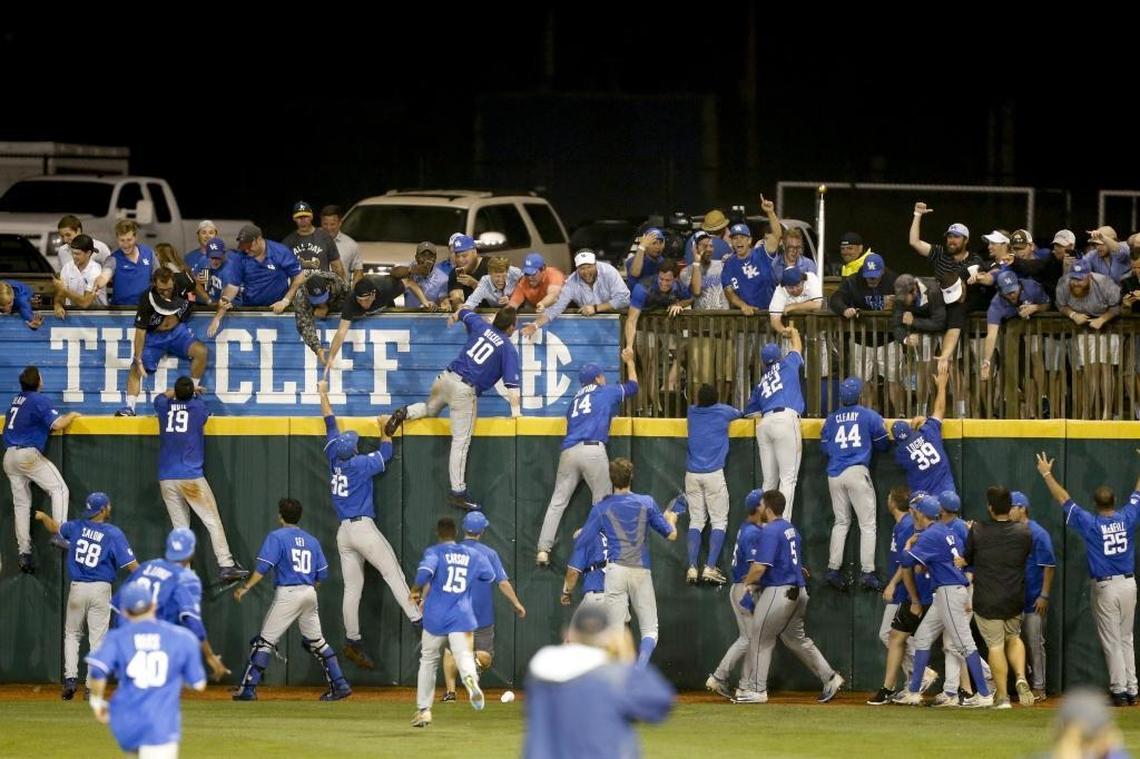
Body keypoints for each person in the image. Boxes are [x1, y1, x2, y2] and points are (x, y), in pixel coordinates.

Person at [316, 380, 422, 670]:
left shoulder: (332, 455)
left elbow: (329, 421)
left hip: (343, 533)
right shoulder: (359, 464)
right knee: (393, 573)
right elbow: (386, 452)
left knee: (353, 589)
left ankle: (352, 640)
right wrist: (381, 427)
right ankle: (418, 622)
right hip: (362, 529)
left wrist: (323, 393)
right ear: (354, 450)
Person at [386, 305, 522, 512]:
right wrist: (516, 415)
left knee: (430, 409)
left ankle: (405, 413)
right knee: (460, 442)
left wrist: (454, 316)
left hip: (446, 378)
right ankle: (458, 492)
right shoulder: (507, 348)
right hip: (464, 390)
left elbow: (464, 310)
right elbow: (513, 389)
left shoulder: (480, 325)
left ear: (495, 319)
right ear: (512, 327)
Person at [1036, 450, 1139, 706]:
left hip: (1106, 587)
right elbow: (1138, 492)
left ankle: (1119, 690)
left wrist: (1047, 474)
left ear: (1096, 503)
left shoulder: (1091, 523)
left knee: (1112, 640)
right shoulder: (1127, 517)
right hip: (1129, 584)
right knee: (1126, 638)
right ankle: (1132, 688)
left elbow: (1064, 499)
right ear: (1114, 501)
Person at [232, 498, 351, 702]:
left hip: (289, 593)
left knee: (264, 641)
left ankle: (247, 689)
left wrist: (246, 587)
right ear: (299, 516)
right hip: (309, 593)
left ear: (280, 516)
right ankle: (340, 685)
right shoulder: (312, 540)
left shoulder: (277, 537)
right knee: (317, 642)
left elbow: (263, 568)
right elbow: (322, 575)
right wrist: (308, 591)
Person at [735, 490, 845, 704]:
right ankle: (830, 677)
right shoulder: (790, 528)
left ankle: (757, 690)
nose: (759, 510)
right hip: (799, 591)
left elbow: (759, 567)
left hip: (780, 591)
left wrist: (748, 582)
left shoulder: (771, 530)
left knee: (759, 638)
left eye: (761, 506)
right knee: (796, 639)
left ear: (767, 508)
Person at [567, 458, 679, 669]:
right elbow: (671, 535)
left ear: (611, 479)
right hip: (640, 570)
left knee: (615, 633)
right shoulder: (646, 502)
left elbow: (581, 541)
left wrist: (582, 531)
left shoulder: (601, 508)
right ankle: (639, 669)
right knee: (650, 630)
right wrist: (671, 520)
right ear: (632, 476)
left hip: (615, 572)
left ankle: (615, 681)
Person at [523, 604, 675, 759]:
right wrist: (626, 658)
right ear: (607, 636)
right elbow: (660, 702)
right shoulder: (616, 675)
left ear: (569, 634)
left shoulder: (542, 665)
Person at [536, 348, 637, 566]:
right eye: (602, 375)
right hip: (593, 449)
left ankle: (543, 549)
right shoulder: (605, 391)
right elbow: (633, 387)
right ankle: (596, 551)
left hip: (569, 451)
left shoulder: (574, 401)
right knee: (602, 502)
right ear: (598, 378)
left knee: (557, 503)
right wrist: (629, 362)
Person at [85, 577, 207, 758]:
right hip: (161, 726)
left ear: (125, 612)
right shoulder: (182, 638)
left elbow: (97, 671)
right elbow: (198, 684)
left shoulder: (116, 638)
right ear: (154, 606)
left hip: (126, 723)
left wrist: (96, 702)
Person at [892, 494, 994, 707]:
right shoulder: (946, 531)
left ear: (920, 513)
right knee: (922, 637)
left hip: (949, 591)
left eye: (915, 511)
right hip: (946, 590)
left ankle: (984, 694)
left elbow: (906, 561)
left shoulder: (931, 534)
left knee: (964, 644)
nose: (913, 514)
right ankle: (913, 692)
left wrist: (909, 544)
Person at [33, 492, 138, 700]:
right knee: (98, 641)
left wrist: (44, 517)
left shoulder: (76, 527)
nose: (109, 508)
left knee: (72, 635)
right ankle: (91, 688)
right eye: (107, 506)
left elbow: (55, 528)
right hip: (101, 589)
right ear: (102, 510)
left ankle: (70, 680)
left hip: (77, 588)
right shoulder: (113, 533)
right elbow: (132, 566)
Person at [155, 376, 248, 582]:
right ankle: (225, 564)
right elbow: (198, 406)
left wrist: (178, 392)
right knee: (212, 521)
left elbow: (162, 396)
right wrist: (194, 391)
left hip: (166, 478)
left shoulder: (163, 406)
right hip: (190, 477)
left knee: (180, 529)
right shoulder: (197, 407)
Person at [409, 516, 495, 727]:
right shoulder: (474, 554)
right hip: (462, 615)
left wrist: (415, 590)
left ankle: (424, 710)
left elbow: (424, 573)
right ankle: (471, 682)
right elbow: (490, 576)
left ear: (438, 534)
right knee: (464, 655)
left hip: (436, 616)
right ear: (456, 533)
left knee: (428, 660)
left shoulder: (435, 552)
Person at [118, 528, 231, 684]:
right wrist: (209, 656)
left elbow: (119, 606)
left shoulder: (146, 567)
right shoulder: (186, 578)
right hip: (156, 644)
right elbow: (192, 622)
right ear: (191, 552)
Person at [440, 511, 527, 701]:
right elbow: (502, 583)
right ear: (481, 531)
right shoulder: (489, 554)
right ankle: (470, 661)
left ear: (463, 528)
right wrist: (516, 603)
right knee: (485, 657)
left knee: (449, 651)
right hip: (481, 615)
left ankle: (451, 692)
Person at [866, 486, 939, 705]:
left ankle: (920, 674)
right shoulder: (904, 525)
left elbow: (908, 562)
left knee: (893, 635)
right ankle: (913, 678)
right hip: (909, 591)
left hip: (913, 591)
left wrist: (893, 584)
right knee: (896, 636)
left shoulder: (908, 524)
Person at [962, 486, 1033, 708]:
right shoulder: (1024, 532)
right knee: (1013, 637)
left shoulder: (978, 530)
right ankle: (1020, 675)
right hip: (1014, 596)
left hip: (987, 598)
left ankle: (1002, 696)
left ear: (990, 508)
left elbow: (968, 558)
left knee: (995, 646)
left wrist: (971, 531)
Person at [3, 365, 79, 571]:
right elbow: (58, 424)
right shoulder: (39, 399)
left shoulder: (16, 399)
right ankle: (60, 533)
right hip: (26, 455)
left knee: (21, 505)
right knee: (59, 489)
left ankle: (24, 553)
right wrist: (72, 415)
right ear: (38, 382)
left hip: (9, 456)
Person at [821, 377, 889, 591]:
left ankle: (833, 568)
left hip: (834, 473)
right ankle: (867, 572)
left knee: (841, 522)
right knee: (867, 525)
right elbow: (883, 444)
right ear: (860, 395)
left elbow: (824, 448)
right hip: (857, 471)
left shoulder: (831, 419)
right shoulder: (869, 415)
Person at [115, 269, 208, 417]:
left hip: (177, 332)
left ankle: (192, 396)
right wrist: (138, 358)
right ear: (154, 284)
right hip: (154, 337)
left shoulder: (185, 279)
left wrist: (208, 300)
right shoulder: (147, 298)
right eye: (161, 290)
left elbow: (194, 284)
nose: (166, 293)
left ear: (174, 282)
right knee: (135, 367)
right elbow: (140, 331)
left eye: (169, 289)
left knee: (201, 352)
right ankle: (129, 407)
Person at [705, 489, 765, 699]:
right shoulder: (752, 533)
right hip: (744, 587)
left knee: (749, 638)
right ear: (758, 507)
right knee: (748, 639)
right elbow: (754, 567)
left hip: (741, 586)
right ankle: (721, 677)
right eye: (764, 503)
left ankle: (742, 684)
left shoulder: (748, 527)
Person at [744, 326, 805, 521]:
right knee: (788, 479)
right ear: (779, 356)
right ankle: (781, 524)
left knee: (769, 481)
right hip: (785, 419)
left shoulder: (761, 383)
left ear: (763, 363)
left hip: (765, 423)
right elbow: (797, 347)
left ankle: (763, 523)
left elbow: (750, 413)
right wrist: (793, 331)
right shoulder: (788, 363)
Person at [683, 383, 742, 585]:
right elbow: (740, 414)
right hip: (713, 474)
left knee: (696, 521)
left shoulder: (691, 411)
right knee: (719, 522)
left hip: (691, 474)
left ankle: (692, 567)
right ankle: (709, 567)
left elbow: (698, 405)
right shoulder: (723, 411)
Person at [322, 270, 429, 372]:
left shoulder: (387, 287)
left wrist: (425, 302)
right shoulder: (351, 302)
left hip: (385, 302)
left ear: (373, 294)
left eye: (366, 300)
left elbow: (409, 283)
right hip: (370, 306)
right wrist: (331, 357)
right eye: (360, 301)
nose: (364, 304)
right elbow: (341, 332)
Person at [520, 249, 631, 338]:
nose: (586, 272)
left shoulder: (609, 272)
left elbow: (624, 298)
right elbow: (556, 308)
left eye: (589, 267)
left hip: (617, 323)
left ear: (595, 264)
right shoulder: (572, 282)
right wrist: (535, 325)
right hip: (591, 326)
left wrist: (596, 308)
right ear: (577, 268)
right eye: (582, 268)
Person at [1009, 490, 1056, 702]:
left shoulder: (1038, 533)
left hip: (1033, 598)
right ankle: (1021, 684)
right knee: (1012, 642)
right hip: (1013, 599)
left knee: (1035, 642)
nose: (1009, 511)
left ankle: (1039, 686)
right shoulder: (1009, 532)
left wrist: (1044, 595)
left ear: (1022, 509)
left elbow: (1049, 567)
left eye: (1012, 507)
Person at [891, 361, 956, 498]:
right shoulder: (929, 431)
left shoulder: (900, 453)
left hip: (925, 502)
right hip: (947, 494)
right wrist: (942, 386)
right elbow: (939, 410)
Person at [282, 201, 347, 281]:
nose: (303, 220)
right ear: (294, 218)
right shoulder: (288, 242)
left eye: (306, 217)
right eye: (299, 217)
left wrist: (342, 287)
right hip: (297, 290)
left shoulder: (325, 237)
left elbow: (336, 266)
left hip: (323, 289)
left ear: (311, 217)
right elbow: (282, 270)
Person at [97, 219, 156, 307]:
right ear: (117, 239)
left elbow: (157, 277)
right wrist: (98, 284)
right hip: (121, 311)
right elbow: (105, 274)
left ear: (135, 237)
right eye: (122, 240)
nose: (126, 244)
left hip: (145, 309)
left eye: (129, 240)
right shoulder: (113, 259)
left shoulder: (149, 253)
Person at [52, 234, 108, 316]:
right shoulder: (67, 268)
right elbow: (60, 296)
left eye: (77, 254)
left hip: (97, 317)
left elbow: (85, 303)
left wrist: (64, 290)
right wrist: (58, 305)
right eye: (72, 253)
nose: (74, 256)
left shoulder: (96, 271)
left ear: (88, 253)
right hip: (73, 317)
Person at [320, 205, 362, 286]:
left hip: (341, 295)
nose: (329, 228)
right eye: (325, 224)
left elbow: (358, 271)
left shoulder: (351, 245)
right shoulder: (312, 241)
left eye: (332, 224)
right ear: (321, 223)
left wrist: (352, 293)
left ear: (340, 223)